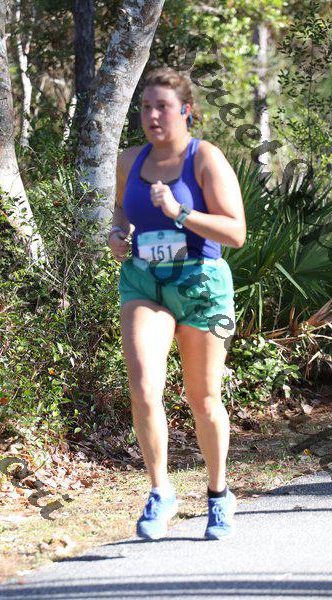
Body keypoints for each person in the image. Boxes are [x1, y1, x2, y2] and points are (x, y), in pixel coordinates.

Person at [107, 67, 246, 541]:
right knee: (144, 387)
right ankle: (161, 491)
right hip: (144, 281)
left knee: (203, 399)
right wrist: (118, 234)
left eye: (162, 107)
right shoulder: (130, 160)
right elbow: (123, 211)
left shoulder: (204, 158)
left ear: (185, 110)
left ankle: (218, 494)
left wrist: (180, 212)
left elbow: (236, 233)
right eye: (146, 107)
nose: (152, 116)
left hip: (203, 285)